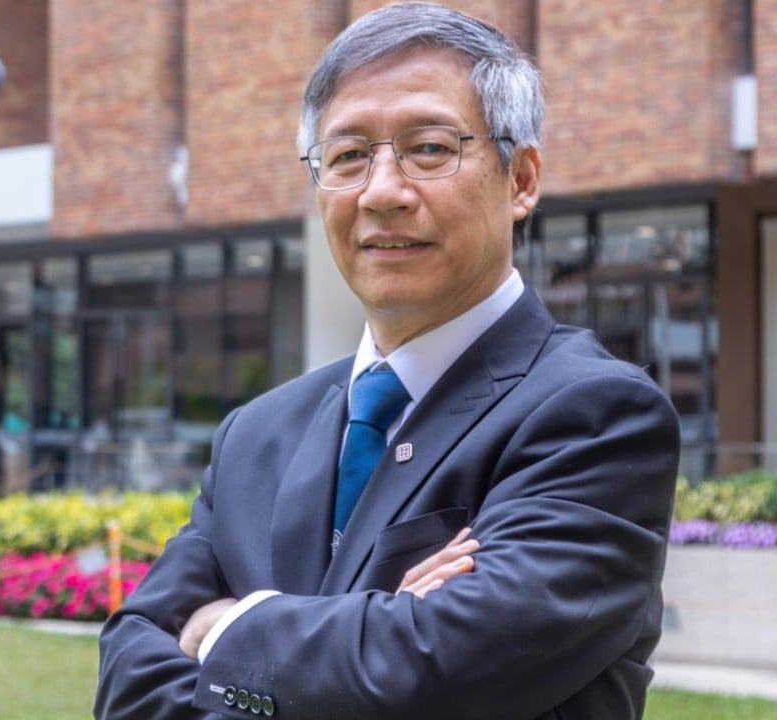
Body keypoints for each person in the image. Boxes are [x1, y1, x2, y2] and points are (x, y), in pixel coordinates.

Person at [94, 5, 679, 720]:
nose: (381, 192)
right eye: (347, 157)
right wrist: (380, 625)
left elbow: (437, 674)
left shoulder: (596, 415)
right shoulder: (257, 434)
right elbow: (127, 678)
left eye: (429, 148)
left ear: (521, 179)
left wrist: (223, 627)